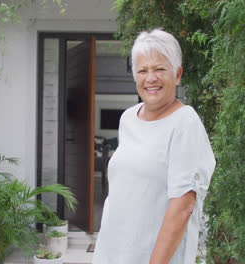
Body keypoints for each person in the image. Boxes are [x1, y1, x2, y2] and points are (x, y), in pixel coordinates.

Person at [93, 29, 216, 264]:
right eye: (142, 70)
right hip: (112, 254)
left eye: (159, 69)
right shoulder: (128, 118)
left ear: (177, 74)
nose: (150, 78)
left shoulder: (185, 123)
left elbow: (183, 207)